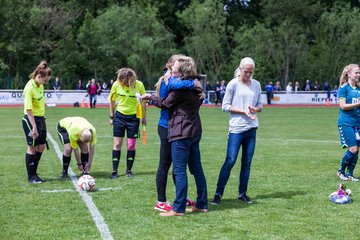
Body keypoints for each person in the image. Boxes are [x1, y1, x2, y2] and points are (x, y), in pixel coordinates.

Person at [142, 56, 208, 217]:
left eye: (174, 68)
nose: (171, 71)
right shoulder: (197, 86)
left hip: (181, 132)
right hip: (194, 130)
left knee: (179, 171)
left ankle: (178, 208)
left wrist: (150, 97)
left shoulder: (180, 87)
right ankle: (202, 203)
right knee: (196, 169)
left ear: (182, 71)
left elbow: (165, 103)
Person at [211, 57, 262, 205]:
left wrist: (255, 109)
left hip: (251, 128)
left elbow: (260, 105)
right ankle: (218, 194)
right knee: (230, 160)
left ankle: (242, 193)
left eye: (251, 72)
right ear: (240, 69)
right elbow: (225, 106)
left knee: (247, 162)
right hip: (236, 129)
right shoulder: (233, 84)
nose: (248, 75)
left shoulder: (256, 85)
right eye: (246, 71)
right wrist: (243, 111)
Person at [109, 68, 146, 178]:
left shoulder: (139, 85)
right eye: (122, 81)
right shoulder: (116, 85)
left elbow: (143, 103)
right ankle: (115, 171)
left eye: (125, 81)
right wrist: (111, 116)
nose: (123, 83)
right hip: (119, 117)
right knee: (117, 144)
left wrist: (144, 118)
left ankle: (129, 170)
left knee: (131, 145)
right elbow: (111, 101)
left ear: (131, 79)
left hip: (134, 118)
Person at [22, 60, 52, 183]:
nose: (46, 83)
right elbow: (29, 110)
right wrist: (34, 127)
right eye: (45, 80)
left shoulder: (40, 85)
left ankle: (34, 173)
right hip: (31, 120)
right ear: (39, 76)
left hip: (40, 119)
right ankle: (31, 177)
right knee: (32, 148)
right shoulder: (29, 88)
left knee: (42, 146)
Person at [336, 64, 360, 182]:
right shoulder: (344, 88)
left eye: (359, 73)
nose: (358, 75)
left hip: (358, 123)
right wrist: (358, 104)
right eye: (356, 72)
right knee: (353, 149)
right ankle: (340, 171)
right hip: (346, 123)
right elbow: (343, 106)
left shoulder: (359, 88)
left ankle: (350, 174)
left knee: (357, 149)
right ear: (349, 74)